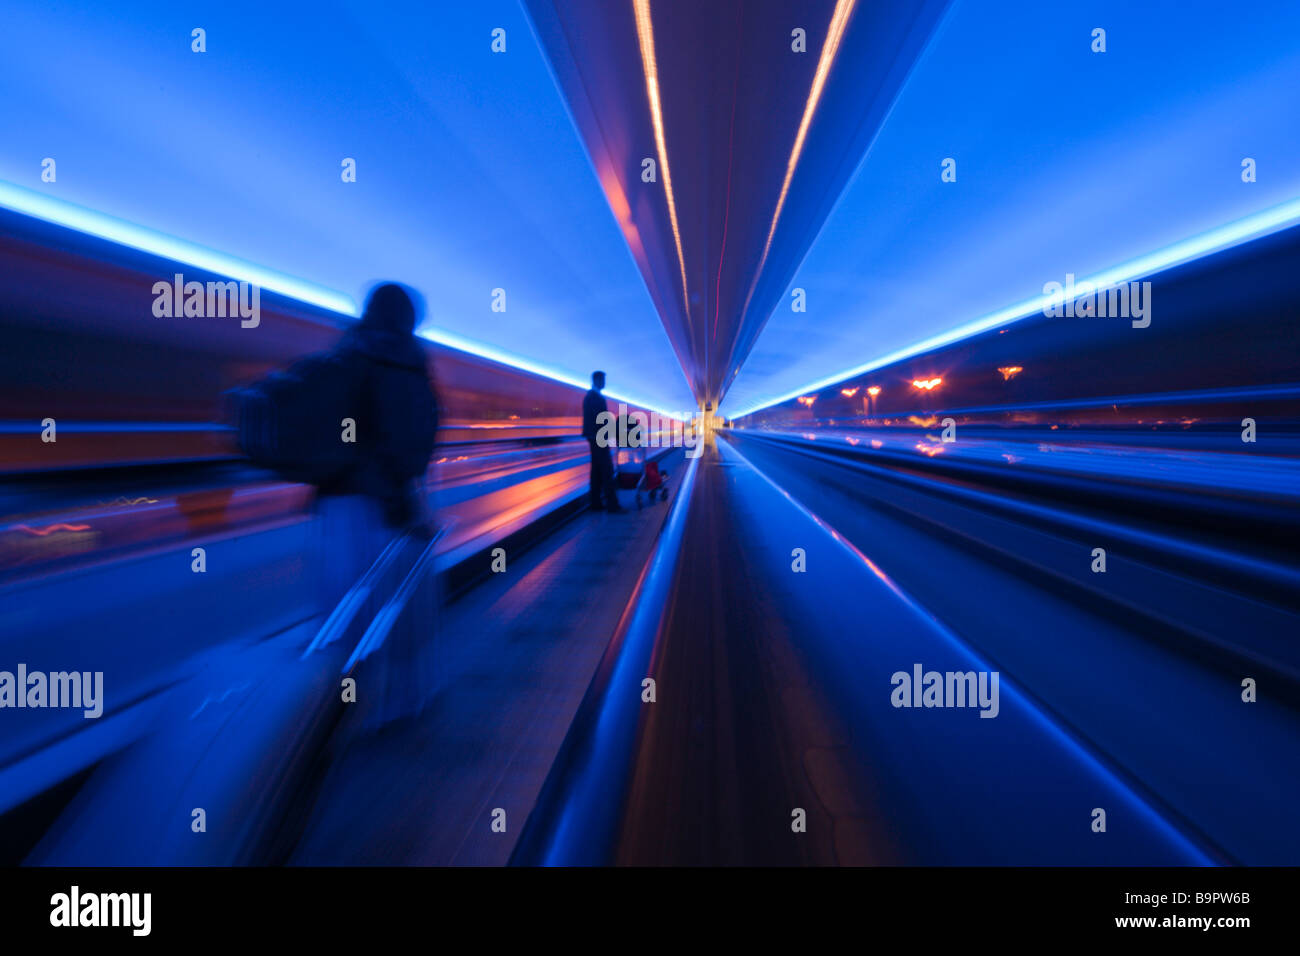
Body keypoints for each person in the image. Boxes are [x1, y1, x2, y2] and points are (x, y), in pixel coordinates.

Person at [582, 370, 623, 512]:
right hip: (598, 438)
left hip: (595, 437)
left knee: (597, 471)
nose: (605, 383)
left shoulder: (593, 396)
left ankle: (596, 503)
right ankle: (612, 505)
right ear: (597, 380)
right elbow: (600, 420)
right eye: (603, 380)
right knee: (607, 470)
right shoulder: (594, 397)